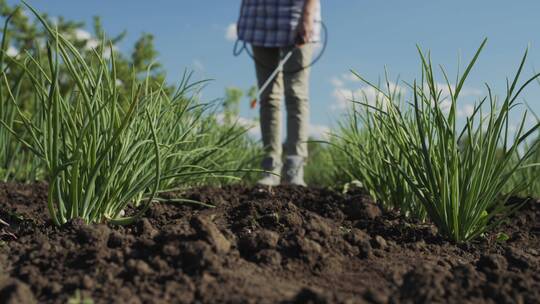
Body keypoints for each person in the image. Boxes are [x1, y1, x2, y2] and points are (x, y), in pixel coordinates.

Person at [236, 0, 321, 186]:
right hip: (258, 19)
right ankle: (270, 166)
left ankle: (295, 167)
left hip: (295, 17)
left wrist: (307, 15)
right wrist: (243, 16)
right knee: (268, 96)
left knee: (296, 94)